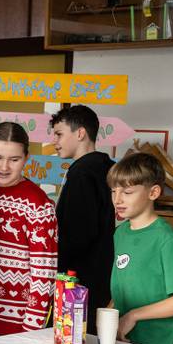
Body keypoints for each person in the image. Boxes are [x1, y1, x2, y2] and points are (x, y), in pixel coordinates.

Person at [0, 122, 57, 337]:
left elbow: (43, 275)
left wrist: (31, 331)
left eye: (14, 159)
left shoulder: (38, 204)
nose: (4, 167)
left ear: (26, 158)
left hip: (16, 326)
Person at [108, 153, 173, 344]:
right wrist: (109, 315)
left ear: (153, 192)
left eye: (127, 192)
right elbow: (124, 286)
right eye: (113, 191)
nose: (118, 199)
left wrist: (133, 316)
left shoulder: (165, 238)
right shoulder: (121, 233)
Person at [50, 105, 116, 320]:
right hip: (103, 271)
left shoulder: (81, 173)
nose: (54, 142)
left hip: (79, 278)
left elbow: (77, 233)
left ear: (80, 133)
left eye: (59, 134)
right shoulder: (108, 167)